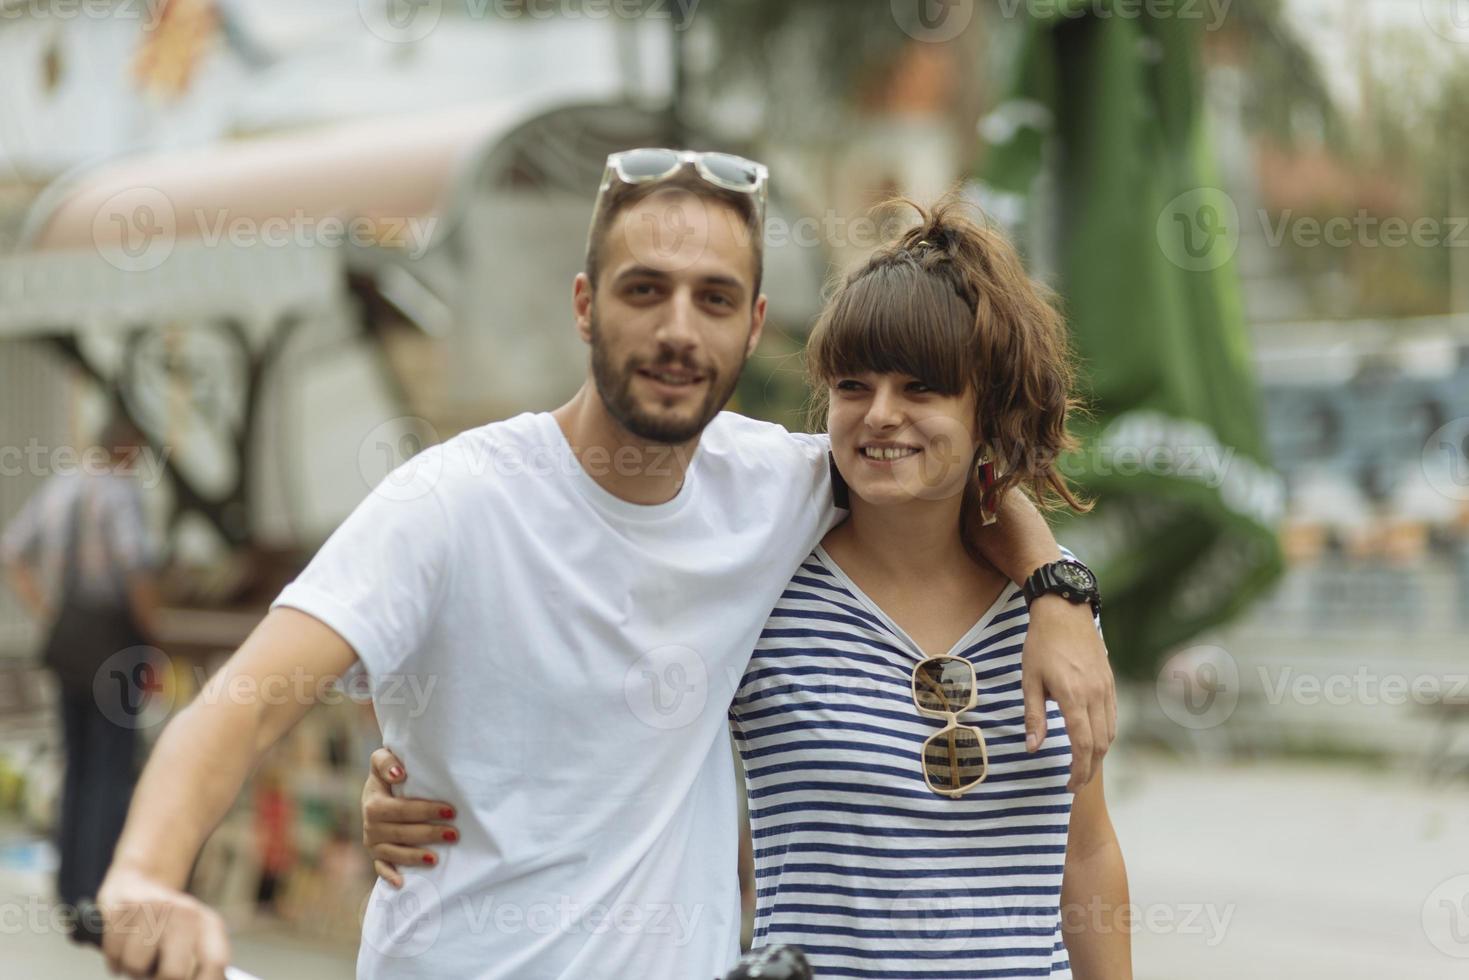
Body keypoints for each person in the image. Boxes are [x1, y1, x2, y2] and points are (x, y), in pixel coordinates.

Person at [93, 150, 1114, 979]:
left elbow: (943, 471)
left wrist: (1055, 586)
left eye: (713, 298)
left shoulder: (775, 485)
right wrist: (144, 874)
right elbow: (243, 702)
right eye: (644, 290)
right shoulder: (448, 501)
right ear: (584, 304)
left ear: (751, 325)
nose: (678, 328)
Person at [362, 200, 1131, 977]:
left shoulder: (1051, 610)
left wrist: (1055, 590)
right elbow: (590, 719)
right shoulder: (766, 581)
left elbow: (1087, 853)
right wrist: (428, 774)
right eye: (854, 385)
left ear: (986, 408)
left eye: (921, 389)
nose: (880, 416)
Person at [1, 413, 162, 914]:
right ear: (128, 448)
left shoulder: (62, 486)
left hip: (68, 638)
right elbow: (136, 569)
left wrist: (49, 611)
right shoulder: (119, 493)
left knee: (76, 762)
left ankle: (69, 884)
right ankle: (99, 885)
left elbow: (12, 553)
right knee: (109, 766)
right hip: (112, 640)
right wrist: (157, 635)